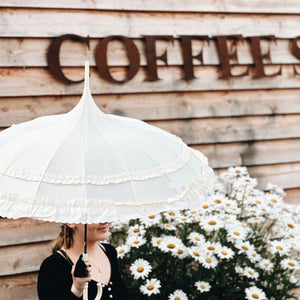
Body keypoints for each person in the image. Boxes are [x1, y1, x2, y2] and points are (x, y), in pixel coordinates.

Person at [37, 222, 128, 300]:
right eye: (95, 215)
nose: (105, 221)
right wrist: (76, 290)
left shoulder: (110, 252)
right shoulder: (53, 266)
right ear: (71, 221)